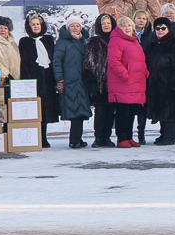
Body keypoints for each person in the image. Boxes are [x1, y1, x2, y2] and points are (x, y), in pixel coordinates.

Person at [106, 17, 147, 148]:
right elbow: (114, 62)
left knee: (131, 112)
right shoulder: (116, 41)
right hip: (123, 83)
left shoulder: (135, 41)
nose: (128, 28)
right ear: (119, 28)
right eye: (125, 26)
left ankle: (129, 137)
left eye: (130, 25)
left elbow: (140, 60)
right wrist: (126, 75)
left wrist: (145, 73)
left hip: (135, 83)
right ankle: (121, 137)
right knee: (123, 111)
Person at [144, 17, 175, 145]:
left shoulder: (174, 42)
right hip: (157, 83)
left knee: (170, 111)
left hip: (170, 83)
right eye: (158, 28)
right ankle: (163, 134)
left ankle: (169, 136)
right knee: (161, 110)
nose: (160, 30)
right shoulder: (154, 43)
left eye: (163, 28)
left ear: (168, 29)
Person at [18, 13, 58, 148]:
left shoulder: (48, 40)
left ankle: (44, 137)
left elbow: (53, 59)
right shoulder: (25, 41)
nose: (36, 26)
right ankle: (35, 137)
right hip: (33, 79)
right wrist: (27, 81)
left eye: (38, 24)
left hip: (47, 79)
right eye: (33, 24)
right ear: (29, 26)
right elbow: (24, 62)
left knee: (46, 109)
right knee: (34, 109)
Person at [54, 15, 91, 148]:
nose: (75, 28)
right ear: (68, 28)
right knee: (75, 111)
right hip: (69, 81)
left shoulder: (84, 41)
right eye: (72, 26)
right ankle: (74, 140)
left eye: (77, 26)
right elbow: (57, 61)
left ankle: (78, 138)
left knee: (80, 111)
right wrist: (60, 79)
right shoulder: (63, 42)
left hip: (82, 81)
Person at [85, 14, 115, 147]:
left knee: (110, 112)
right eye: (104, 23)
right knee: (100, 112)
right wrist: (92, 81)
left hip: (114, 83)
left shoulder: (116, 40)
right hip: (100, 84)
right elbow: (89, 62)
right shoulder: (94, 41)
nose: (106, 25)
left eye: (108, 23)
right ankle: (98, 138)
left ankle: (107, 137)